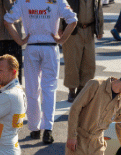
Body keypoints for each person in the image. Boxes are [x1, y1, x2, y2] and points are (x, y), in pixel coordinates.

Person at [4, 0, 77, 145]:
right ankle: (48, 129)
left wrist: (19, 40)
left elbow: (7, 20)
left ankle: (34, 128)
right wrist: (62, 40)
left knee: (32, 90)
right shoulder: (57, 1)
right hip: (50, 47)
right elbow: (73, 20)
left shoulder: (24, 1)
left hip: (32, 46)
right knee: (49, 89)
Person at [63, 0, 104, 102]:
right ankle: (72, 90)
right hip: (73, 30)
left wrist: (100, 28)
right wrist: (60, 28)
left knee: (88, 62)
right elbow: (61, 8)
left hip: (89, 30)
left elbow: (98, 9)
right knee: (72, 62)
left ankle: (82, 89)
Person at [0, 0, 24, 82]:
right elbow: (10, 8)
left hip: (3, 32)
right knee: (13, 67)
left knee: (3, 67)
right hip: (11, 33)